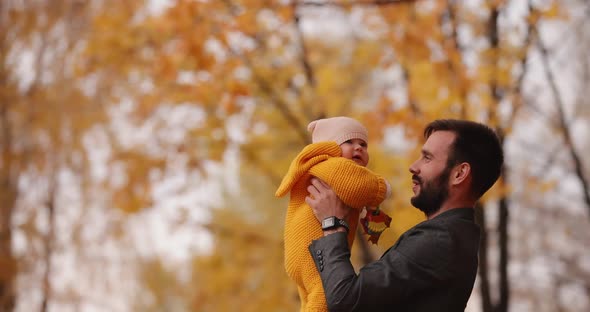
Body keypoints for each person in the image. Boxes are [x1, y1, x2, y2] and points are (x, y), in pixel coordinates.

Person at [306, 119, 504, 311]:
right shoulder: (453, 238)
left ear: (459, 174)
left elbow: (345, 300)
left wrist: (332, 224)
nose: (414, 166)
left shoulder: (439, 240)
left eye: (427, 158)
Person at [275, 116, 392, 312]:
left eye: (363, 144)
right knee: (323, 296)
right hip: (314, 248)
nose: (359, 148)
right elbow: (357, 187)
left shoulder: (322, 169)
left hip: (303, 251)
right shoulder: (332, 165)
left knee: (311, 298)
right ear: (331, 146)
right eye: (349, 142)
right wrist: (382, 188)